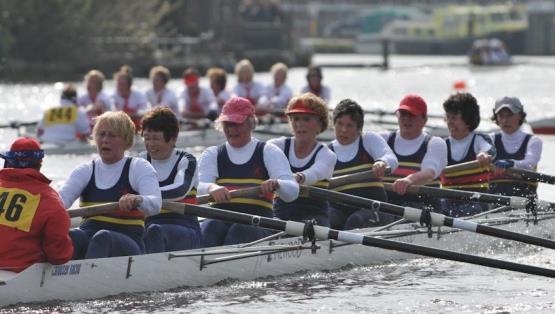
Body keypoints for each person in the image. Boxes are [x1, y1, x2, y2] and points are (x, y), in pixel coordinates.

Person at [198, 96, 299, 247]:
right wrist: (212, 188)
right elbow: (199, 186)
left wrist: (277, 184)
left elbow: (292, 192)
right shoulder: (212, 154)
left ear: (251, 123)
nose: (231, 129)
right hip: (219, 218)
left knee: (240, 230)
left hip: (258, 222)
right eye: (227, 124)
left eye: (236, 123)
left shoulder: (268, 151)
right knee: (210, 227)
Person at [59, 111, 161, 259]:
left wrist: (138, 199)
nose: (105, 140)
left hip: (129, 243)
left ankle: (85, 280)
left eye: (112, 135)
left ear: (126, 141)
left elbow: (155, 204)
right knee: (72, 235)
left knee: (103, 237)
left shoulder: (139, 167)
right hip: (91, 236)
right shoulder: (85, 170)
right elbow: (61, 200)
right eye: (101, 134)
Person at [0, 137, 73, 273]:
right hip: (18, 275)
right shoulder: (50, 200)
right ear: (40, 163)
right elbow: (59, 256)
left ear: (9, 161)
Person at [328, 99, 399, 230]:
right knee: (326, 222)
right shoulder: (326, 151)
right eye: (340, 124)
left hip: (374, 208)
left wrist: (381, 162)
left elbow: (392, 159)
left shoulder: (368, 140)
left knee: (355, 221)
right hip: (339, 210)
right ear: (333, 124)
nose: (343, 130)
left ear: (359, 128)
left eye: (349, 125)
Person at [268, 93, 336, 227]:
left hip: (314, 217)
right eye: (296, 119)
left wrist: (296, 177)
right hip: (280, 215)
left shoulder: (327, 155)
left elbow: (315, 173)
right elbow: (256, 153)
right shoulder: (277, 146)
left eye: (306, 119)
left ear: (320, 124)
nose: (300, 124)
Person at [139, 107, 201, 253]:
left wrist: (141, 198)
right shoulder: (140, 160)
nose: (150, 144)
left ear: (173, 139)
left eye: (155, 138)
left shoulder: (186, 160)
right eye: (147, 138)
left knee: (154, 231)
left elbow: (180, 190)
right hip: (149, 226)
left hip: (185, 227)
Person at [380, 94, 447, 210]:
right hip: (389, 205)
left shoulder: (435, 143)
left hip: (424, 206)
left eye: (411, 115)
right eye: (403, 114)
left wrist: (409, 180)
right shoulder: (383, 139)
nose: (406, 119)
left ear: (424, 120)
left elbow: (429, 172)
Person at [440, 93, 494, 217]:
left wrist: (484, 154)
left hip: (476, 202)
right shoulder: (441, 145)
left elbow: (490, 150)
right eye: (447, 117)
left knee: (470, 209)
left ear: (468, 120)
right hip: (448, 203)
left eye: (454, 118)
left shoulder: (479, 140)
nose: (449, 122)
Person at [489, 96, 542, 210]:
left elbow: (529, 164)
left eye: (510, 115)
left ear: (520, 115)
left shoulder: (533, 141)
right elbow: (482, 158)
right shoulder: (490, 140)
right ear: (496, 118)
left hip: (526, 203)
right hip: (495, 203)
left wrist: (511, 163)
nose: (505, 120)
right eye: (501, 116)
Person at [112, 65, 148, 130]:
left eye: (122, 84)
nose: (119, 86)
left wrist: (132, 114)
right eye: (118, 84)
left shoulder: (139, 95)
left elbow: (145, 111)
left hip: (137, 128)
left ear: (129, 84)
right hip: (119, 129)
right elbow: (111, 111)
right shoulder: (112, 96)